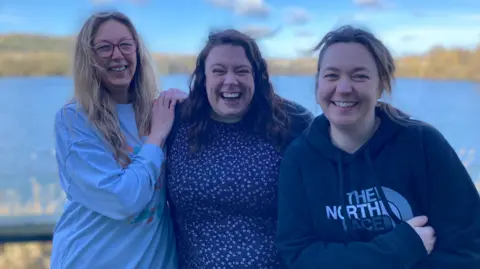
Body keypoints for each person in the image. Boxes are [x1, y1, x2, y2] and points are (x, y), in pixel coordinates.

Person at [275, 25, 480, 269]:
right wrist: (398, 249)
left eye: (359, 75)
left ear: (380, 85)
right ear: (318, 83)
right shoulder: (300, 158)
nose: (343, 87)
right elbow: (298, 257)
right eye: (331, 75)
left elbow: (466, 247)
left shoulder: (423, 145)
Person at [165, 29, 314, 268]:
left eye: (242, 70)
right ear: (204, 78)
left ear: (257, 76)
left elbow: (343, 135)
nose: (230, 80)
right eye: (219, 71)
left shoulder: (292, 121)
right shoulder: (176, 122)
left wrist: (385, 116)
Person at [50, 11, 184, 269]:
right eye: (104, 47)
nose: (117, 55)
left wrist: (193, 104)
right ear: (88, 58)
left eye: (125, 45)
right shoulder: (74, 121)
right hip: (91, 259)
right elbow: (122, 199)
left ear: (137, 52)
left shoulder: (158, 111)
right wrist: (155, 138)